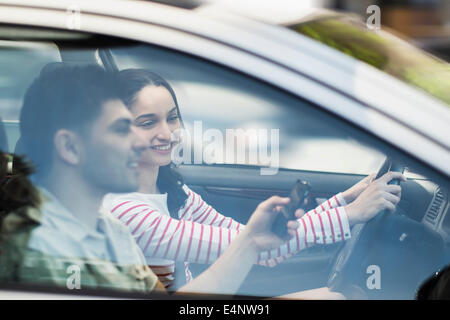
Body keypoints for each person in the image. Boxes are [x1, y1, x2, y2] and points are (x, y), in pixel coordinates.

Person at [0, 63, 301, 296]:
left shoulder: (110, 231)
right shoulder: (34, 253)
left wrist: (248, 244)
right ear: (70, 147)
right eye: (121, 129)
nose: (141, 142)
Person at [102, 68, 406, 293]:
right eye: (147, 122)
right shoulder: (126, 213)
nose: (167, 133)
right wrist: (349, 214)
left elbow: (259, 242)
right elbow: (253, 245)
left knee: (336, 296)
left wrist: (342, 201)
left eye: (172, 117)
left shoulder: (173, 191)